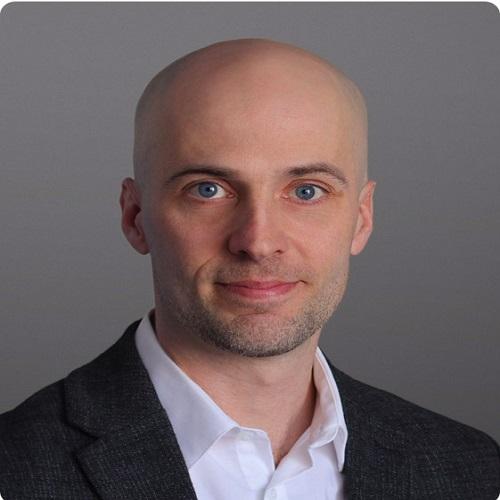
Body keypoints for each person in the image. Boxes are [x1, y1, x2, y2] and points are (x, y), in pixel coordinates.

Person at [0, 38, 498, 500]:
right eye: (208, 190)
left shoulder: (471, 470)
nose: (258, 242)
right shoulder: (15, 468)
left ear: (361, 218)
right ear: (136, 217)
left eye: (307, 191)